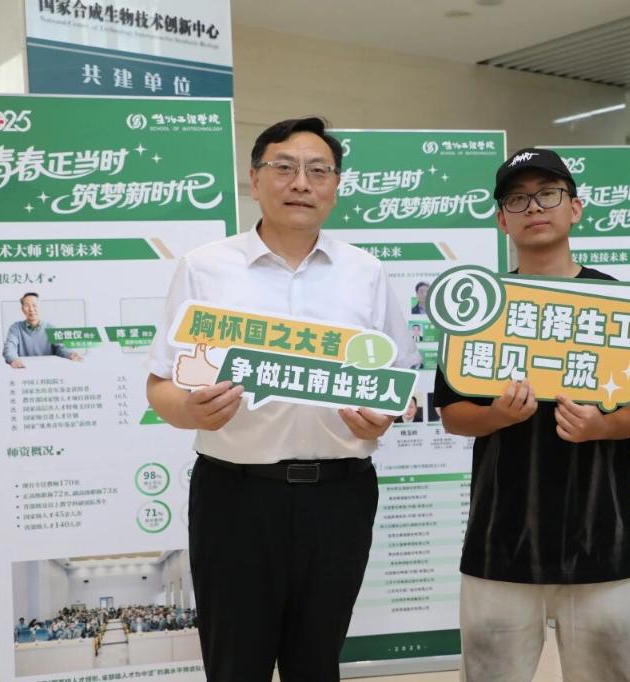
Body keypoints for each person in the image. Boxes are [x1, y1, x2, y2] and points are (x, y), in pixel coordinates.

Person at [146, 116, 419, 682]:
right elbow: (161, 386)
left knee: (316, 662)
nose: (301, 183)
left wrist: (385, 417)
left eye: (319, 171)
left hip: (339, 498)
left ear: (335, 185)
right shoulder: (205, 268)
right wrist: (188, 409)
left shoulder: (365, 272)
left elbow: (398, 381)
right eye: (285, 167)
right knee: (235, 664)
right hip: (235, 497)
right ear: (254, 179)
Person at [434, 148, 630, 682]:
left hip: (601, 543)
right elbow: (452, 414)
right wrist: (497, 416)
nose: (534, 207)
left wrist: (602, 426)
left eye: (548, 194)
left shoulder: (618, 302)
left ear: (575, 208)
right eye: (517, 199)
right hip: (499, 543)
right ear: (502, 219)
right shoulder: (481, 304)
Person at [2, 292, 83, 367]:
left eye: (34, 305)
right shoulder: (16, 328)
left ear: (40, 307)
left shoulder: (50, 328)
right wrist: (13, 359)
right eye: (27, 305)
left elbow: (60, 347)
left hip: (47, 369)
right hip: (23, 369)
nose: (31, 309)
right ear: (22, 309)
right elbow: (9, 347)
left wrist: (70, 354)